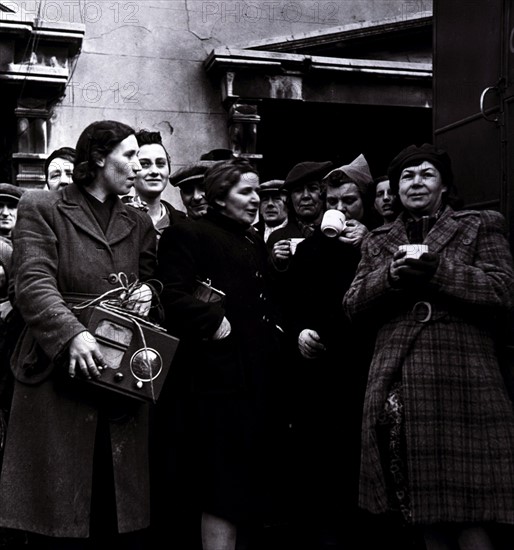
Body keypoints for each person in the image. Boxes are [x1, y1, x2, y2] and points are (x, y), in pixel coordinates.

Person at [343, 143, 514, 549]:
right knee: (421, 511)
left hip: (463, 385)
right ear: (396, 188)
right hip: (398, 388)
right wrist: (390, 276)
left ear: (444, 186)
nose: (415, 182)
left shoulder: (479, 225)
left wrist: (439, 270)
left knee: (471, 511)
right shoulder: (379, 239)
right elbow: (351, 304)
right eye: (407, 176)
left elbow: (502, 289)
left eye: (426, 174)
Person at [0, 120, 157, 549]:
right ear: (99, 158)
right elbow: (30, 282)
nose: (138, 165)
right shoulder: (43, 205)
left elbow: (153, 281)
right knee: (57, 516)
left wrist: (145, 292)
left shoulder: (138, 221)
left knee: (110, 508)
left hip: (119, 376)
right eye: (129, 155)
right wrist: (69, 332)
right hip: (57, 372)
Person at [156, 158, 285, 550]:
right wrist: (214, 321)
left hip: (255, 384)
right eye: (246, 192)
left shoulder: (250, 240)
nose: (255, 200)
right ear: (218, 197)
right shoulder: (189, 234)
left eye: (257, 192)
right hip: (216, 387)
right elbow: (170, 294)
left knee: (246, 492)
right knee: (221, 492)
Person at [282, 154, 376, 549]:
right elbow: (290, 304)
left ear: (365, 203)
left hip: (363, 371)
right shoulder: (311, 248)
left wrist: (370, 241)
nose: (339, 210)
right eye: (333, 201)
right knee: (318, 468)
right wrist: (298, 333)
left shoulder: (380, 241)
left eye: (349, 202)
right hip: (318, 376)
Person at [267, 160, 332, 272]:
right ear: (290, 199)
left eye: (312, 188)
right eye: (298, 190)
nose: (305, 196)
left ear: (323, 193)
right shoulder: (277, 238)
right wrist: (274, 263)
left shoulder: (336, 231)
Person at [131, 129, 186, 238]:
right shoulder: (115, 220)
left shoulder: (185, 222)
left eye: (160, 164)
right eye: (145, 164)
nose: (154, 171)